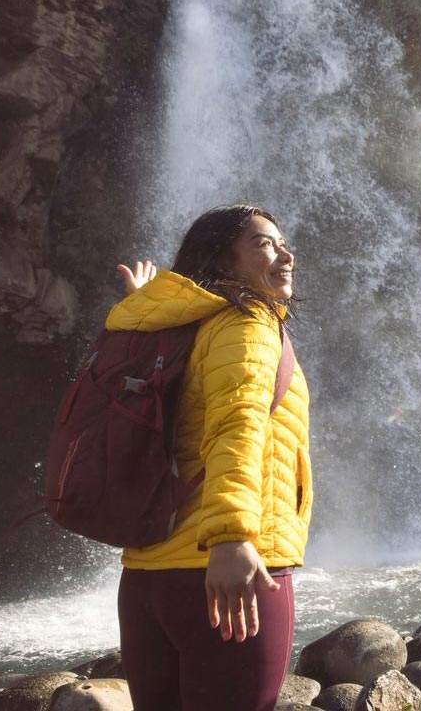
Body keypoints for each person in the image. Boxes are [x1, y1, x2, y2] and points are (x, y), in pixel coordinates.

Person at [108, 204, 310, 711]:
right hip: (227, 575)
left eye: (282, 242)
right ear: (224, 259)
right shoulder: (247, 325)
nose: (285, 253)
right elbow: (236, 428)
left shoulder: (172, 329)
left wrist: (147, 305)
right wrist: (231, 539)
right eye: (265, 243)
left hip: (147, 576)